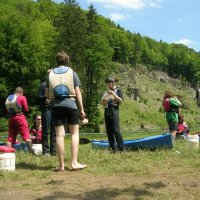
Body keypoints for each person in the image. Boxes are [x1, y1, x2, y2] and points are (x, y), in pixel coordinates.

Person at [45, 51, 87, 171]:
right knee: (74, 133)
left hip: (57, 106)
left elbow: (47, 95)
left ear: (57, 61)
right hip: (71, 105)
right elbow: (77, 92)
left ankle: (61, 166)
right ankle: (74, 163)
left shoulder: (50, 74)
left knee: (59, 135)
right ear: (67, 61)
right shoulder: (72, 72)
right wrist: (82, 109)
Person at [5, 87, 34, 153]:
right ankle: (32, 153)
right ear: (22, 92)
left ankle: (7, 153)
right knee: (26, 135)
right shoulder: (22, 97)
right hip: (19, 117)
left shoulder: (10, 97)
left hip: (11, 118)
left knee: (10, 137)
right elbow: (26, 109)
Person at [101, 77, 124, 152]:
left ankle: (121, 148)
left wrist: (113, 94)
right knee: (109, 130)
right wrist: (103, 102)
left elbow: (121, 100)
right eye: (107, 83)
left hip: (114, 110)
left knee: (116, 130)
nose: (108, 85)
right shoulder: (106, 92)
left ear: (113, 83)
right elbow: (102, 104)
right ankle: (113, 148)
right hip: (107, 110)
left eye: (109, 83)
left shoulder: (118, 90)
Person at [38, 78, 56, 155]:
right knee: (45, 130)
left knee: (54, 131)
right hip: (46, 110)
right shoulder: (43, 85)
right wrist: (45, 96)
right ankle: (46, 151)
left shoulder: (55, 85)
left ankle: (54, 150)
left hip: (55, 109)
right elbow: (38, 97)